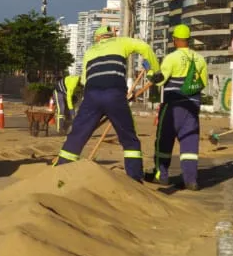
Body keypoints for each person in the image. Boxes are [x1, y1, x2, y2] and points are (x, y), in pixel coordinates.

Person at [55, 26, 160, 181]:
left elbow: (84, 81)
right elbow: (144, 47)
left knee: (77, 135)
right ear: (111, 35)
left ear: (98, 38)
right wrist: (154, 72)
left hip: (91, 96)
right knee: (129, 138)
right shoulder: (122, 42)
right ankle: (134, 178)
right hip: (115, 94)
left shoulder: (90, 51)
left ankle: (59, 171)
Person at [150, 25, 209, 190]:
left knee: (164, 141)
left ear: (174, 40)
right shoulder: (200, 59)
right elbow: (203, 83)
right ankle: (191, 180)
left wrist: (150, 74)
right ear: (188, 39)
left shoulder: (172, 58)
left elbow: (160, 80)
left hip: (173, 107)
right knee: (190, 144)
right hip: (192, 107)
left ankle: (161, 176)